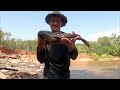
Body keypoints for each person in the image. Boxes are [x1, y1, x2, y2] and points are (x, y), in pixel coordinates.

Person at [37, 11, 81, 79]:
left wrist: (71, 47)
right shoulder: (44, 37)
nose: (55, 23)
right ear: (49, 23)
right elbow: (41, 60)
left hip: (65, 75)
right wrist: (40, 45)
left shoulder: (68, 38)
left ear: (62, 23)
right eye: (53, 21)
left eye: (58, 21)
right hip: (49, 75)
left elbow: (74, 57)